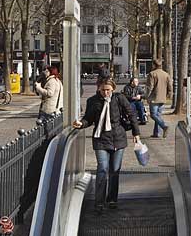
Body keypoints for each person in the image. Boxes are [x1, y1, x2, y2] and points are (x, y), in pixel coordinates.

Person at [72, 79, 140, 213]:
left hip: (118, 138)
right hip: (101, 139)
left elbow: (131, 114)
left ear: (113, 89)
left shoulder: (119, 99)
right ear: (99, 89)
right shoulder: (93, 101)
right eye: (103, 90)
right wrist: (81, 124)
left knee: (114, 170)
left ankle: (112, 199)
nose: (105, 92)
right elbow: (89, 119)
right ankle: (99, 202)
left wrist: (136, 133)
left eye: (108, 90)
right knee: (102, 169)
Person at [146, 60, 172, 139]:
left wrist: (147, 96)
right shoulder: (166, 74)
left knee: (153, 115)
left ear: (154, 65)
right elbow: (170, 86)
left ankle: (164, 126)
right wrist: (169, 94)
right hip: (162, 98)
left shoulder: (152, 74)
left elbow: (150, 87)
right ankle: (156, 133)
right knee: (158, 115)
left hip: (154, 98)